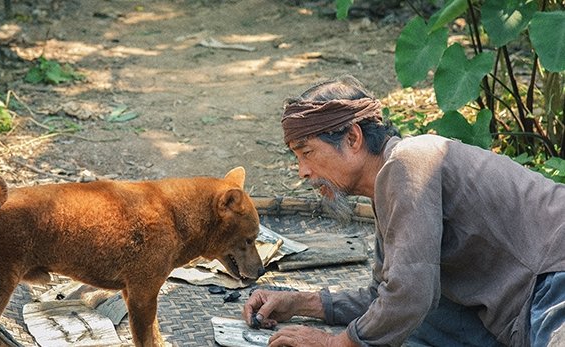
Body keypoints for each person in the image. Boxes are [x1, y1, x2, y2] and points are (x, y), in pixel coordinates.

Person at [242, 75, 565, 346]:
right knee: (399, 326)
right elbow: (386, 297)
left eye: (307, 153)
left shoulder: (408, 162)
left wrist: (333, 343)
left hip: (553, 281)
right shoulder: (390, 184)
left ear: (353, 138)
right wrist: (301, 303)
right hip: (518, 313)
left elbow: (410, 296)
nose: (302, 171)